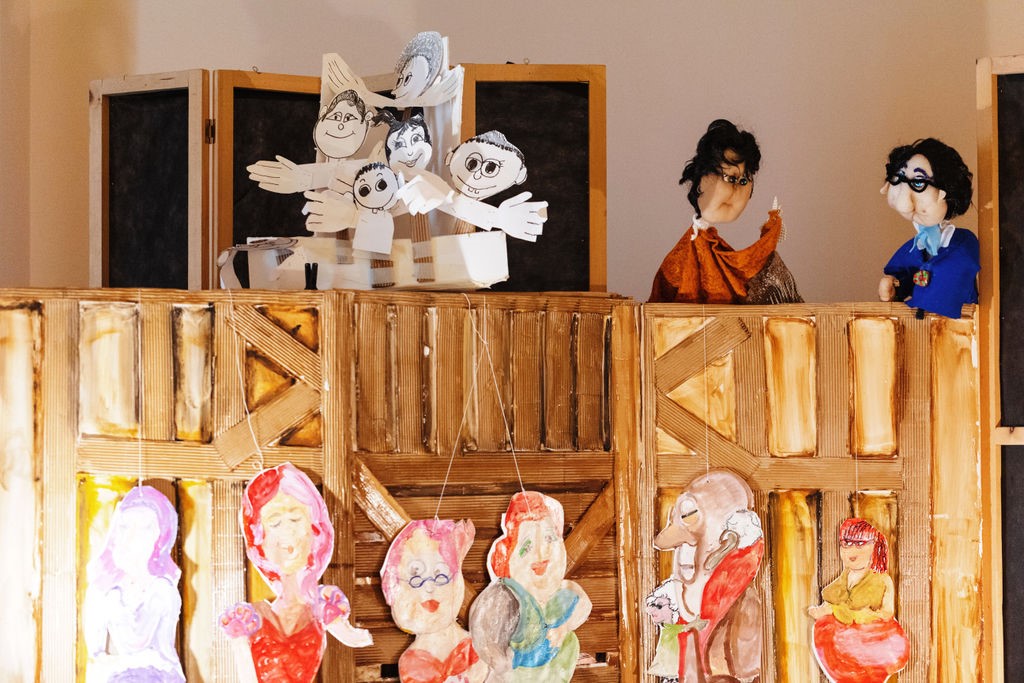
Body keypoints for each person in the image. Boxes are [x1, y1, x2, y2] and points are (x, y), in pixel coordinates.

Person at [220, 462, 372, 683]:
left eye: (295, 519)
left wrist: (355, 633)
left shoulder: (323, 604)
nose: (287, 531)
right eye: (275, 522)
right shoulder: (248, 618)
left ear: (315, 530)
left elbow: (356, 638)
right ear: (259, 538)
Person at [649, 119, 802, 304]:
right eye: (730, 178)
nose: (735, 190)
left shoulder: (753, 265)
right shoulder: (679, 262)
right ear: (701, 180)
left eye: (744, 181)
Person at [469, 491, 592, 682]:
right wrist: (501, 663)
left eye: (549, 539)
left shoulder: (565, 591)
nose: (541, 554)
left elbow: (583, 605)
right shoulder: (503, 596)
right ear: (507, 556)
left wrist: (563, 628)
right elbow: (483, 632)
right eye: (527, 546)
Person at [82, 485, 186, 683]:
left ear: (160, 535)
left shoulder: (163, 590)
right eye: (125, 527)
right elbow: (96, 655)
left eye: (145, 528)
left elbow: (166, 653)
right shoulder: (102, 590)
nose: (132, 536)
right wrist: (122, 666)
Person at [878, 138, 978, 318]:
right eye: (900, 178)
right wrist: (894, 286)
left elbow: (968, 276)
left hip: (963, 324)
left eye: (918, 183)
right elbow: (904, 273)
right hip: (921, 324)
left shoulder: (964, 244)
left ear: (945, 193)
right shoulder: (915, 247)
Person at [381, 519, 488, 683]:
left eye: (441, 575)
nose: (429, 587)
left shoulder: (476, 650)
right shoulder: (411, 664)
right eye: (416, 577)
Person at [807, 518, 910, 683]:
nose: (851, 550)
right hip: (842, 653)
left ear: (873, 546)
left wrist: (838, 611)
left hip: (873, 645)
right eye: (845, 544)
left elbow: (886, 614)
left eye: (859, 544)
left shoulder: (881, 580)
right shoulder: (845, 577)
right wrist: (825, 610)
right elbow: (830, 596)